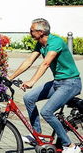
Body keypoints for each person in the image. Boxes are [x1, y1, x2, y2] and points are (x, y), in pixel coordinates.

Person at [8, 18, 81, 153]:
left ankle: (70, 146)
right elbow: (29, 61)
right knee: (29, 98)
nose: (29, 32)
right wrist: (10, 77)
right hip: (58, 82)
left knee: (46, 112)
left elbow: (45, 64)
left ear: (41, 32)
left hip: (71, 83)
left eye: (32, 30)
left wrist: (32, 81)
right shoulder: (40, 44)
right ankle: (37, 135)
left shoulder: (55, 42)